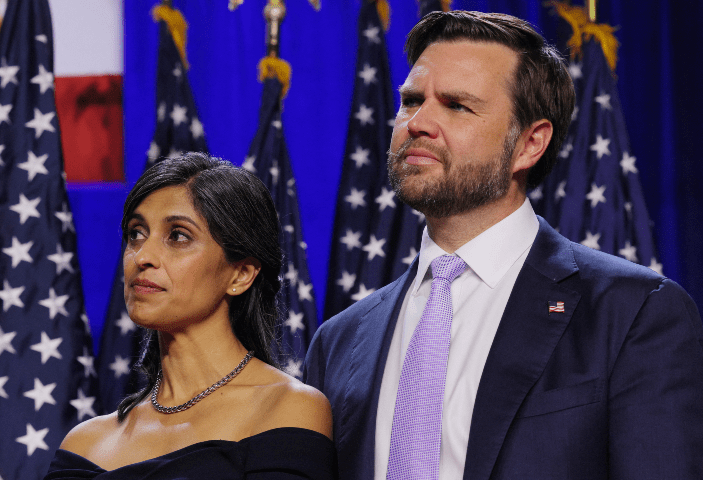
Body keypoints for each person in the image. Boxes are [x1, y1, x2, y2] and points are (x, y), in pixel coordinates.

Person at [304, 10, 703, 480]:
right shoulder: (339, 341)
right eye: (411, 100)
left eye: (457, 105)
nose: (418, 122)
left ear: (530, 144)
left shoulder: (633, 313)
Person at [46, 152, 335, 479]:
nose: (142, 256)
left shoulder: (287, 409)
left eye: (178, 236)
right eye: (136, 233)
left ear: (240, 274)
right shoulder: (84, 445)